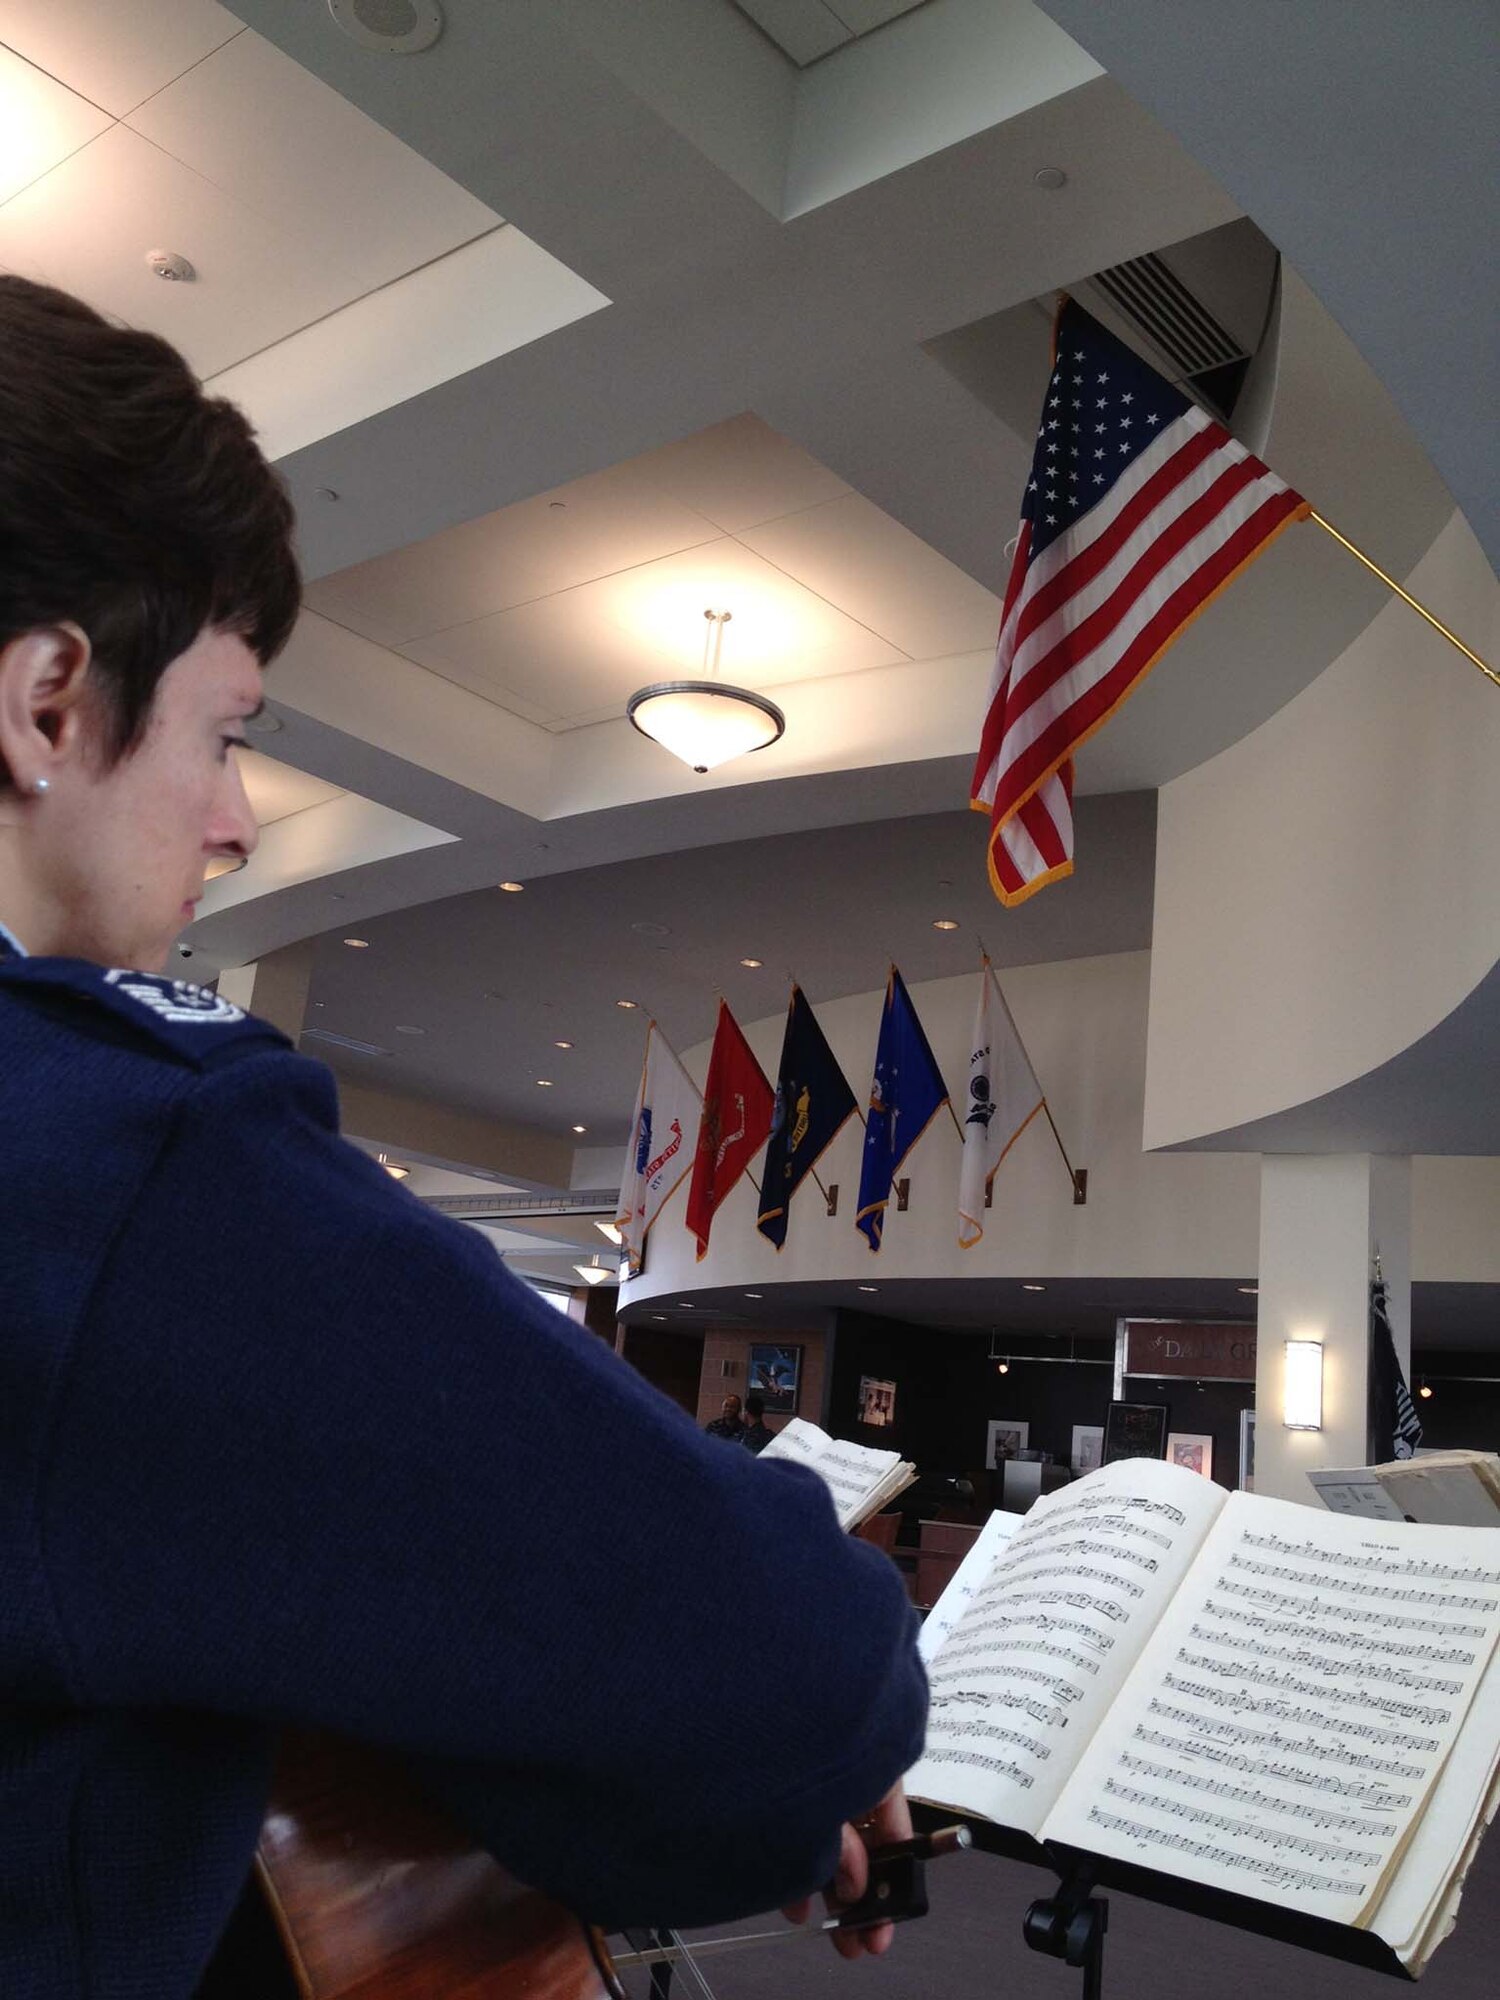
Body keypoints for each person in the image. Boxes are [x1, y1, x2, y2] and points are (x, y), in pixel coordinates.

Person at [0, 277, 927, 1998]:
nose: (235, 816)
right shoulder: (117, 1160)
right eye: (222, 732)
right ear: (51, 701)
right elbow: (786, 1670)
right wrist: (768, 1776)